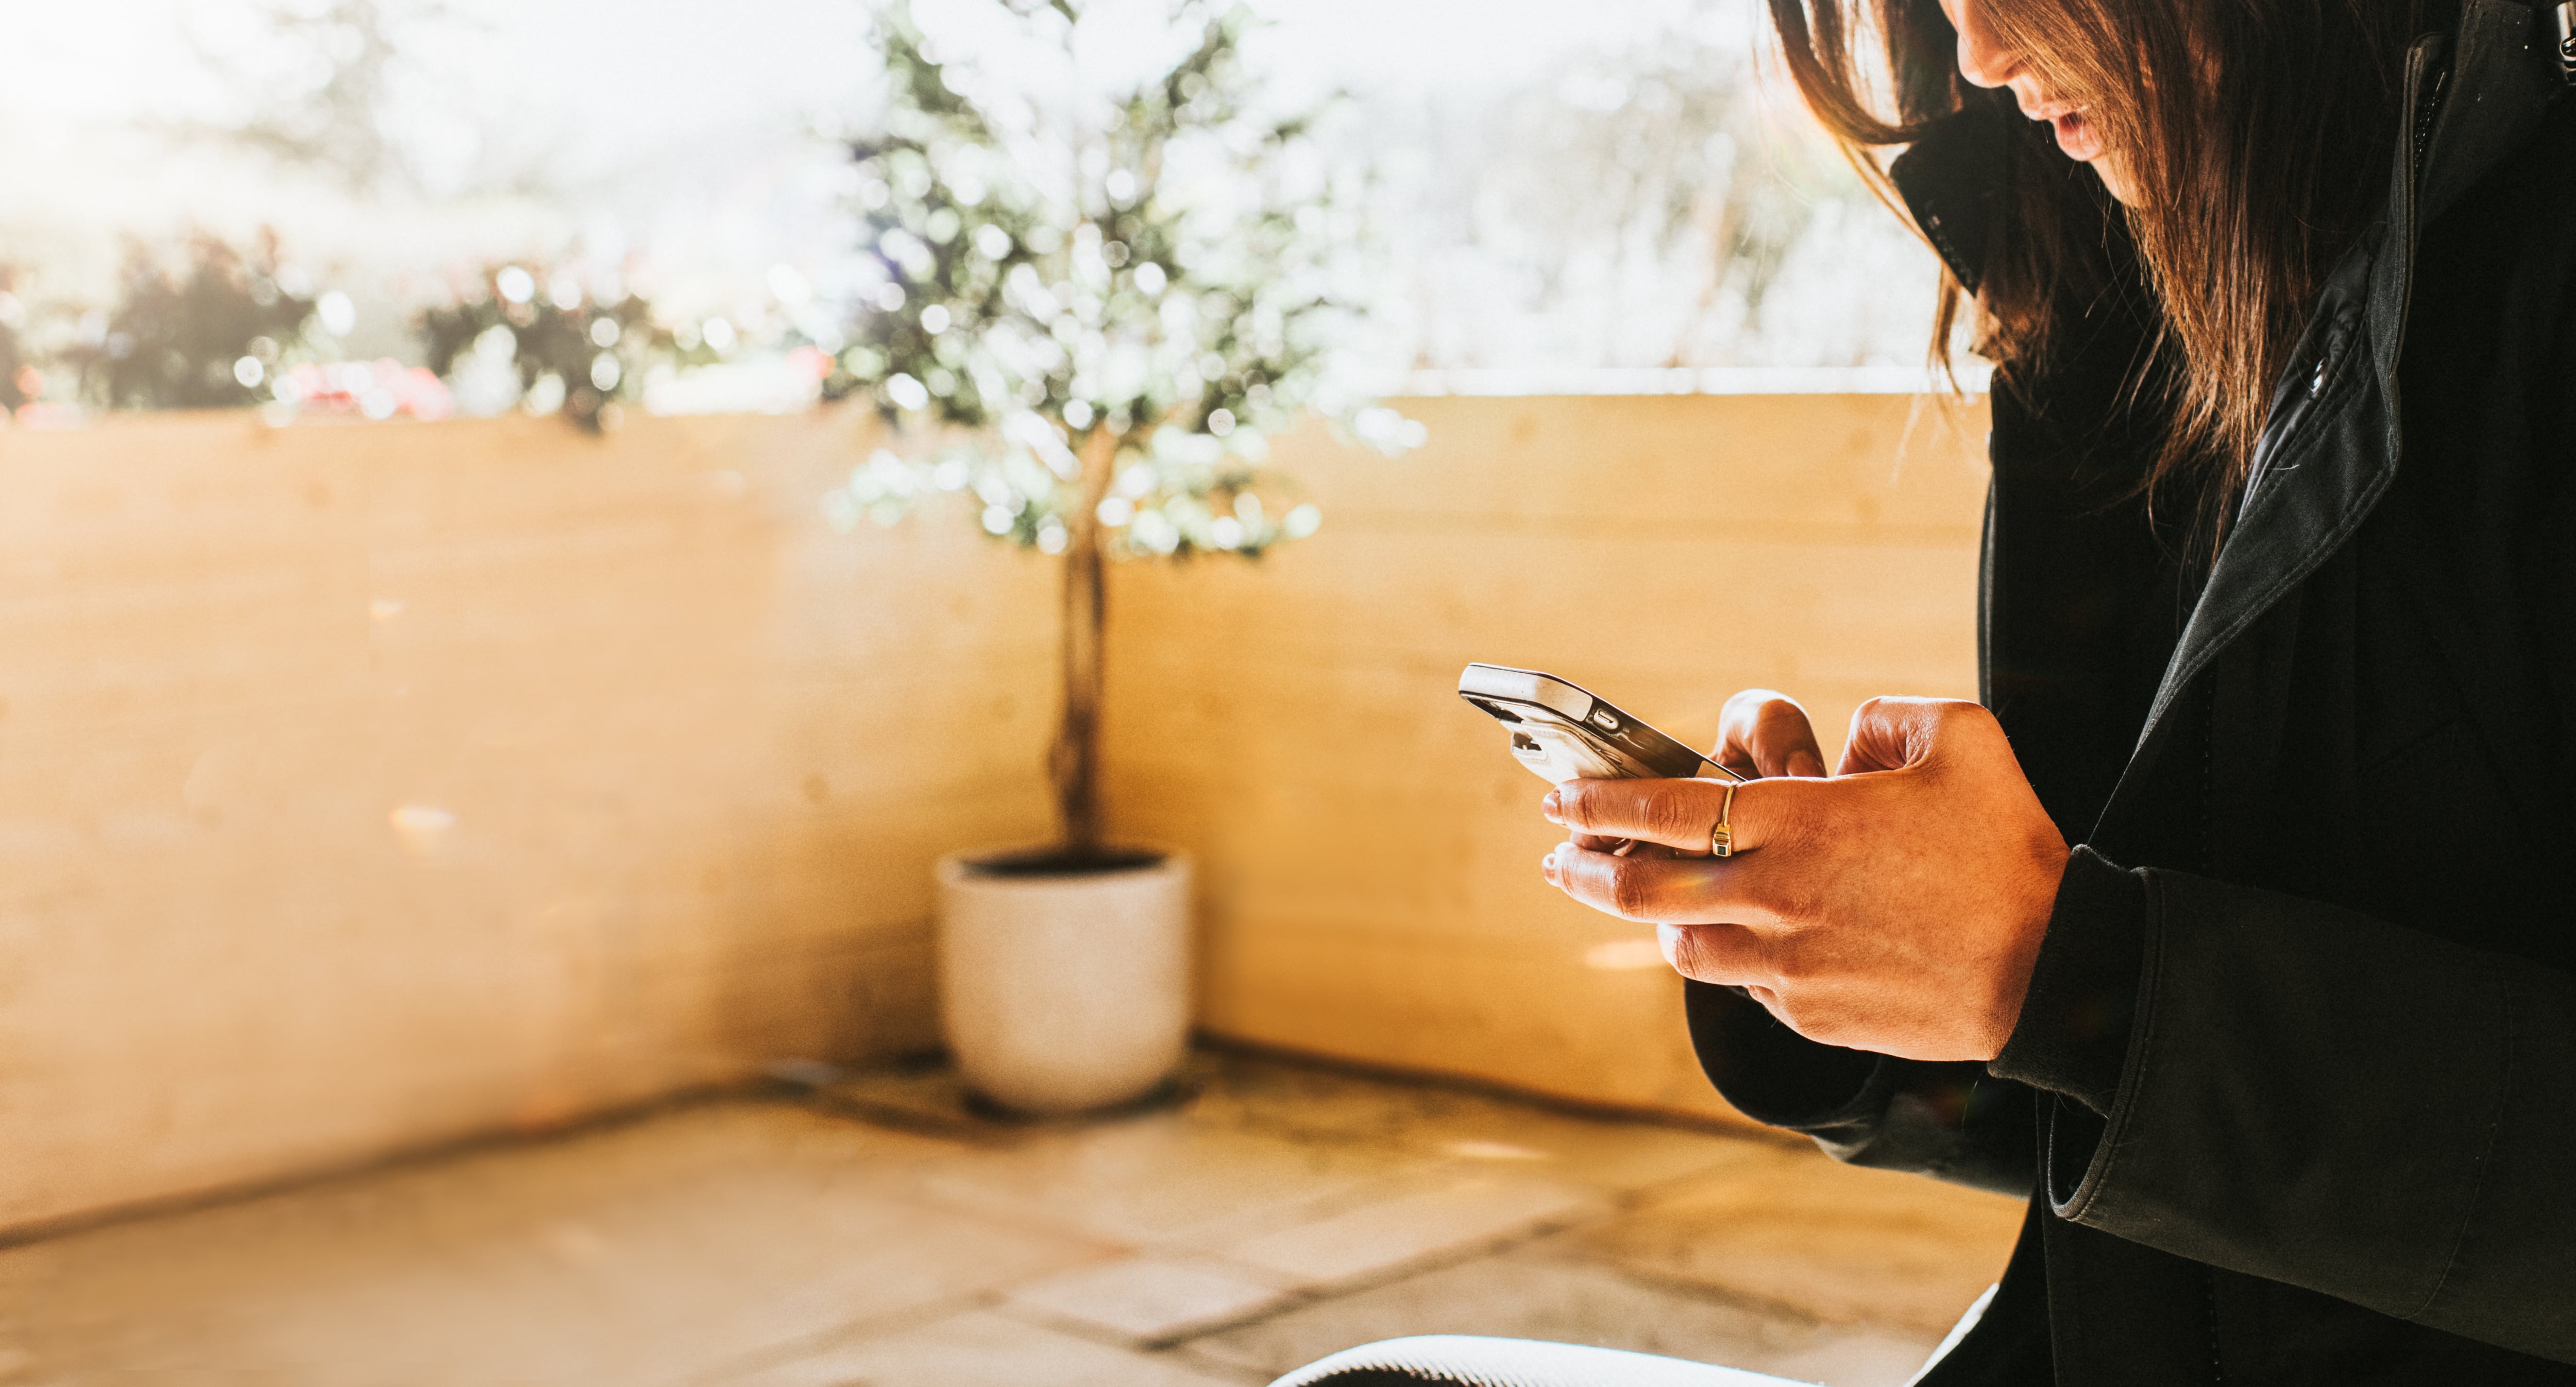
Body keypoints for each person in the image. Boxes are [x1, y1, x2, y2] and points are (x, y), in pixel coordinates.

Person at [1274, 0, 2576, 1380]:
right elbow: (2126, 1100)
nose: (1977, 57)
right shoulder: (2119, 313)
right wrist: (1858, 971)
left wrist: (2061, 969)